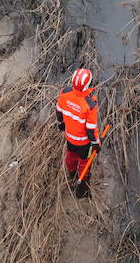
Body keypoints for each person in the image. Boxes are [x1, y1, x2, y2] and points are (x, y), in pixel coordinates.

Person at [55, 67, 100, 196]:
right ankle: (83, 187)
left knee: (71, 155)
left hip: (69, 137)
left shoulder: (64, 93)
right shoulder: (90, 105)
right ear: (88, 85)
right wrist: (96, 144)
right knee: (84, 162)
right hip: (84, 143)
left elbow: (59, 111)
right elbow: (91, 130)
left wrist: (61, 124)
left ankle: (72, 174)